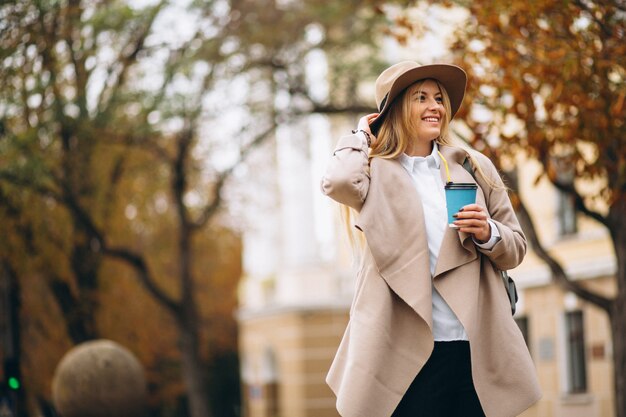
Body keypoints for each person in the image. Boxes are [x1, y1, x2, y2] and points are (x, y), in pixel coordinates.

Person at [320, 61, 541, 417]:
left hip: (472, 351)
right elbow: (339, 182)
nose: (434, 106)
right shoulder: (373, 172)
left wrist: (488, 232)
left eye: (438, 98)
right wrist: (362, 134)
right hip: (403, 356)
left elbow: (516, 248)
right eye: (420, 97)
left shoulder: (473, 166)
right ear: (394, 110)